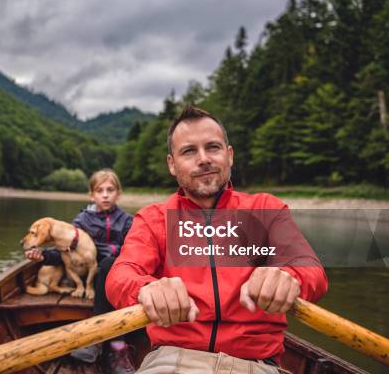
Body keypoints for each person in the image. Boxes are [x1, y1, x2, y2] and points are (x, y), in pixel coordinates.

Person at [105, 106, 328, 373]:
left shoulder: (266, 209)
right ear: (172, 164)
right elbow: (120, 274)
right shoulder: (153, 218)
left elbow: (310, 269)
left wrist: (289, 277)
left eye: (213, 147)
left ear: (229, 155)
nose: (203, 159)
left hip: (255, 365)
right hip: (171, 360)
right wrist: (144, 288)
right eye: (189, 151)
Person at [25, 168, 136, 373]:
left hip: (120, 278)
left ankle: (103, 343)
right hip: (92, 279)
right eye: (99, 190)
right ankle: (110, 344)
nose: (105, 194)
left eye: (110, 190)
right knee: (104, 267)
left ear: (118, 193)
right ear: (91, 195)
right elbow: (66, 253)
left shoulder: (129, 221)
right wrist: (44, 256)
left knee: (109, 264)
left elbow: (136, 251)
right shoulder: (81, 222)